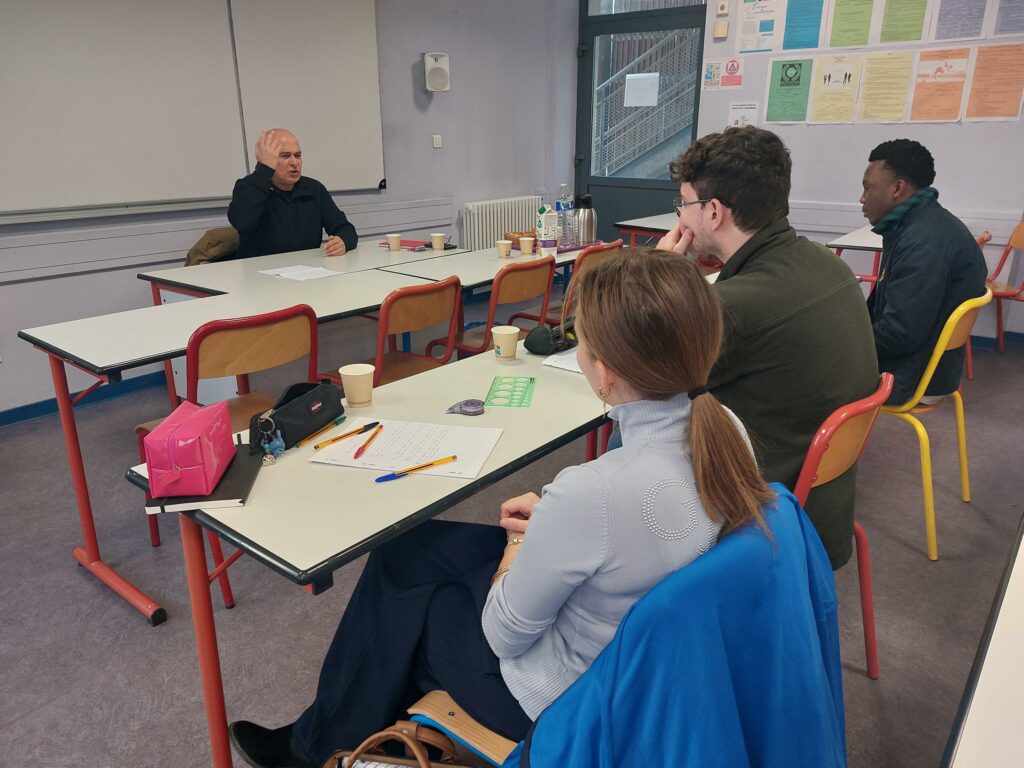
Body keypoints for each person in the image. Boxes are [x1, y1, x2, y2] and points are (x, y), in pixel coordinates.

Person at [228, 250, 774, 768]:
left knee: (414, 605)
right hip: (652, 668)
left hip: (570, 700)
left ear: (604, 373)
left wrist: (521, 544)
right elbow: (624, 529)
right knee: (407, 550)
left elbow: (504, 636)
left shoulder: (592, 492)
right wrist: (559, 529)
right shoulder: (727, 431)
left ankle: (315, 747)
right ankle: (325, 734)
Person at [657, 126, 878, 570]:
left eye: (683, 204)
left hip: (764, 515)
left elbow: (641, 368)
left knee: (634, 424)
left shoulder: (736, 305)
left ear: (713, 211)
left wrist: (660, 274)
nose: (680, 216)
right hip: (822, 502)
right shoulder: (825, 263)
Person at [860, 139, 987, 405]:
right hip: (927, 364)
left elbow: (899, 333)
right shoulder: (922, 224)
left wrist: (844, 341)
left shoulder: (922, 242)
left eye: (867, 188)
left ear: (897, 188)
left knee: (803, 366)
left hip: (912, 374)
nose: (862, 198)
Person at [227, 129, 358, 259]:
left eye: (298, 155)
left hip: (306, 270)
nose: (294, 162)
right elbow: (241, 222)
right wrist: (264, 171)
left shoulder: (314, 189)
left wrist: (343, 241)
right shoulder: (250, 186)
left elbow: (345, 228)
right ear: (268, 161)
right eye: (285, 156)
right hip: (259, 273)